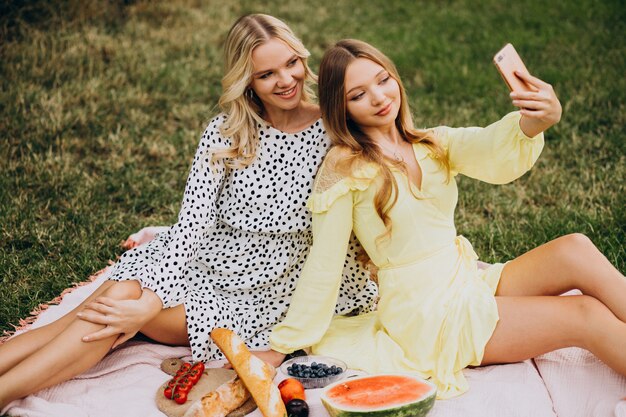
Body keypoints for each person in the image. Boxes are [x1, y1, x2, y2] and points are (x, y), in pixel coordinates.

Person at [0, 17, 378, 409]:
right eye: (266, 74)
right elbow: (192, 225)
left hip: (267, 295)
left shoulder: (334, 131)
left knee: (106, 317)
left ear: (302, 58)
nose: (285, 79)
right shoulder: (225, 132)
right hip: (202, 264)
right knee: (108, 304)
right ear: (246, 80)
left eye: (291, 63)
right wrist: (152, 298)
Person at [269, 39, 626, 399]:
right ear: (340, 108)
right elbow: (323, 266)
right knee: (585, 314)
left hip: (465, 280)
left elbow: (490, 147)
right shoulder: (346, 167)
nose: (379, 97)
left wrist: (535, 121)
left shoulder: (430, 144)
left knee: (574, 249)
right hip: (427, 314)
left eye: (383, 80)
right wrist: (283, 345)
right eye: (358, 95)